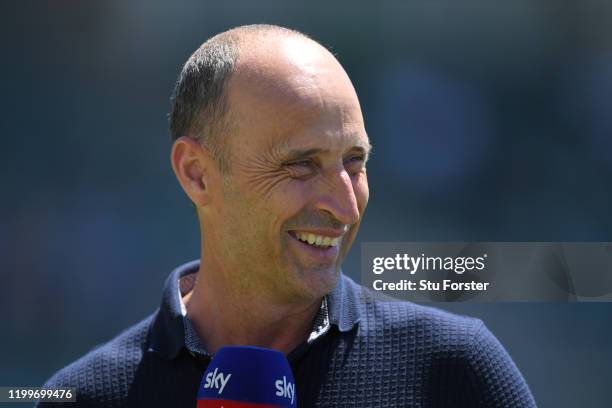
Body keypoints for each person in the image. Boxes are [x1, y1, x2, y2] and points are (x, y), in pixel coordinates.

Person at [39, 24, 536, 407]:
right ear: (197, 174)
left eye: (355, 162)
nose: (344, 207)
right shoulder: (86, 395)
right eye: (302, 165)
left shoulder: (455, 371)